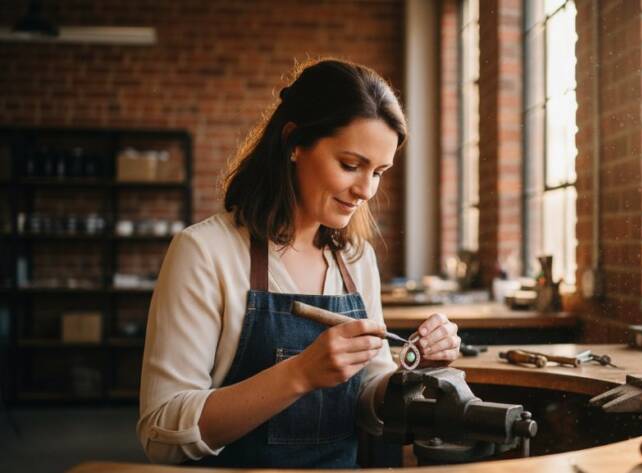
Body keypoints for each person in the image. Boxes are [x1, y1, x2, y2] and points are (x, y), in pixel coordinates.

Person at [137, 59, 461, 468]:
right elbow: (161, 432)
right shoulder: (205, 252)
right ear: (295, 142)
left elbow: (367, 394)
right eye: (350, 164)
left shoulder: (355, 259)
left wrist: (412, 376)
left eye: (378, 172)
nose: (365, 189)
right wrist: (299, 375)